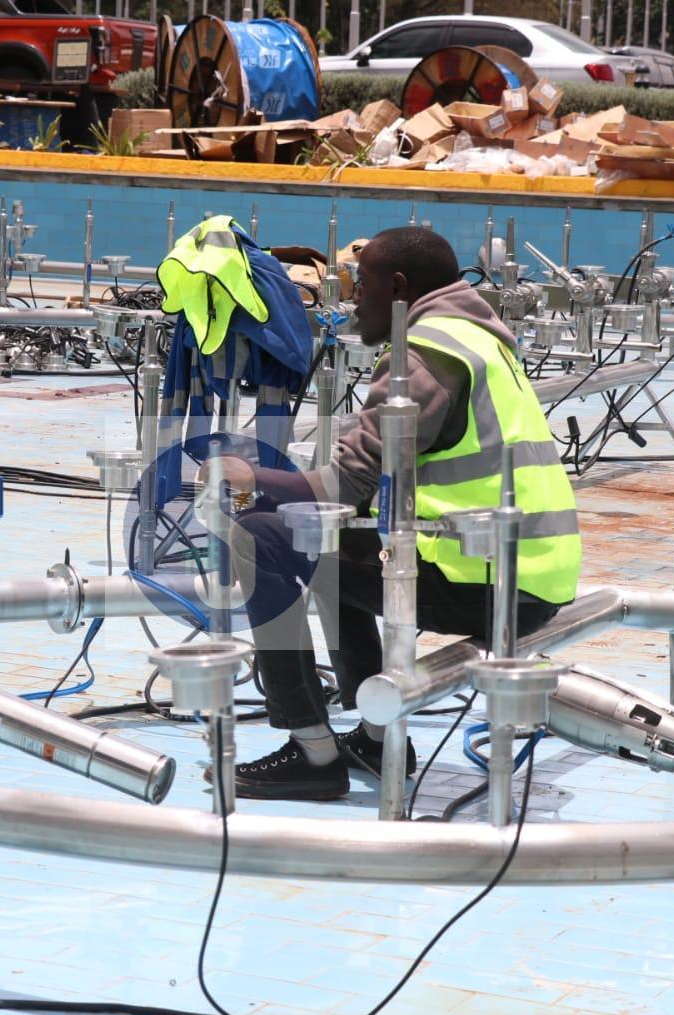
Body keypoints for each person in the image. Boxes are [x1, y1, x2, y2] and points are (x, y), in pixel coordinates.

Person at [206, 226, 581, 801]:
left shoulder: (426, 356)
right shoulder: (479, 339)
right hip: (527, 571)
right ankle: (378, 738)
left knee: (261, 535)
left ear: (399, 287)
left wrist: (249, 476)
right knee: (322, 539)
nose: (354, 300)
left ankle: (312, 751)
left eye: (364, 286)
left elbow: (344, 482)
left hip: (481, 579)